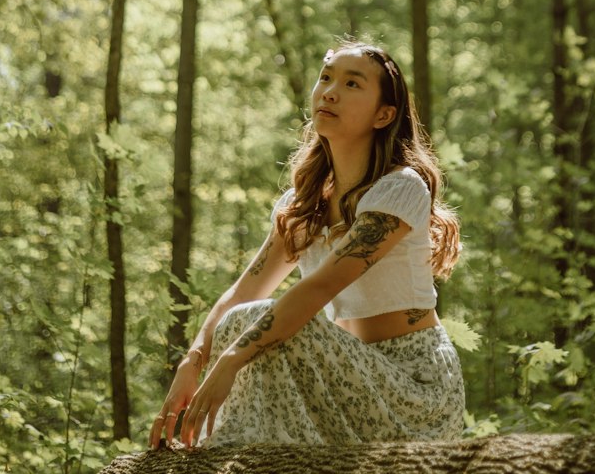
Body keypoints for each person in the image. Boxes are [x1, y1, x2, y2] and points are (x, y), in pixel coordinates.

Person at [149, 39, 464, 448]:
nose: (330, 91)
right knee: (242, 318)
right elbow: (243, 291)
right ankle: (226, 454)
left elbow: (318, 289)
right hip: (343, 377)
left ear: (384, 115)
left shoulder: (400, 190)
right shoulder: (303, 205)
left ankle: (224, 455)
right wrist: (192, 362)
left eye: (353, 84)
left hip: (414, 387)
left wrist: (229, 361)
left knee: (260, 323)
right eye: (326, 77)